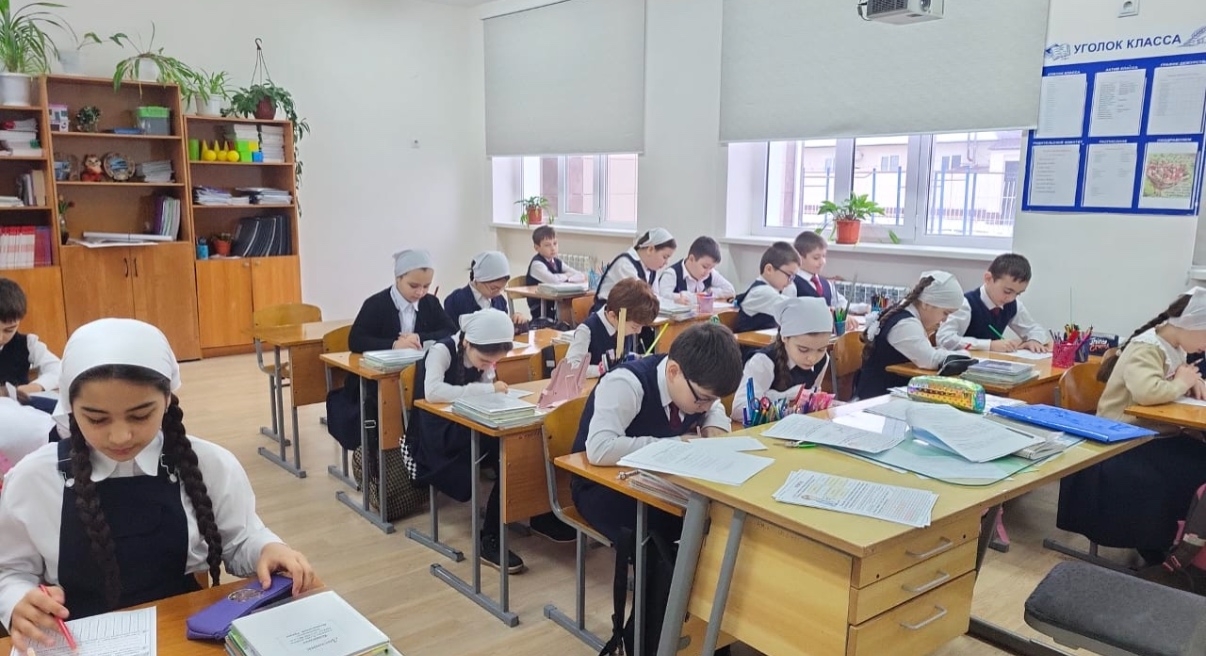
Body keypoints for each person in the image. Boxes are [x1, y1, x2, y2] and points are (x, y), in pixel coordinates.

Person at [0, 319, 316, 650]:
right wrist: (16, 599)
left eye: (140, 415)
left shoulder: (208, 464)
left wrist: (268, 549)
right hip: (77, 643)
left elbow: (240, 540)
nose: (120, 436)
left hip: (185, 637)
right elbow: (9, 570)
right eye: (96, 418)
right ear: (70, 408)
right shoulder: (34, 479)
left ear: (167, 399)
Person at [406, 310, 572, 574]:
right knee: (509, 450)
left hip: (473, 421)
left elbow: (488, 388)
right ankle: (490, 537)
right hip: (439, 434)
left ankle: (540, 514)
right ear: (467, 343)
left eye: (494, 362)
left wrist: (494, 392)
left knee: (527, 445)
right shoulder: (441, 351)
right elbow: (433, 392)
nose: (488, 366)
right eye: (484, 360)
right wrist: (486, 389)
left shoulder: (483, 355)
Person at [1058, 289, 1206, 567]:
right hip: (1123, 437)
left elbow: (1175, 381)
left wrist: (1193, 383)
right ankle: (1157, 545)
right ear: (1191, 325)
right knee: (1181, 472)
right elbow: (1147, 392)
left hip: (1155, 434)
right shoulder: (1148, 347)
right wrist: (1182, 383)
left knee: (1199, 460)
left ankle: (1181, 542)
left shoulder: (1177, 347)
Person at [571, 323, 743, 545]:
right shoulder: (626, 383)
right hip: (601, 487)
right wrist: (675, 444)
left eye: (713, 399)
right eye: (703, 399)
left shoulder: (693, 386)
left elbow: (714, 407)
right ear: (673, 372)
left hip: (658, 479)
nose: (707, 406)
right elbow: (599, 449)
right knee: (675, 532)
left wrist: (715, 425)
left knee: (717, 516)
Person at [855, 271, 969, 399]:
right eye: (945, 313)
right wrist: (966, 356)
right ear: (926, 304)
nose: (945, 320)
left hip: (889, 394)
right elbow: (930, 360)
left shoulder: (906, 313)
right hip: (877, 398)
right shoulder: (905, 324)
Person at [731, 297, 832, 422]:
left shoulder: (822, 360)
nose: (812, 358)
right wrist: (785, 397)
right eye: (803, 349)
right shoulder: (763, 362)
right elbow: (739, 409)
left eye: (821, 349)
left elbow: (814, 395)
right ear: (785, 337)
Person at [935, 253, 1051, 353]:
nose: (1011, 298)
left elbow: (1034, 329)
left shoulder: (1013, 305)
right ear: (988, 278)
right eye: (1007, 291)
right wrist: (989, 345)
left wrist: (1034, 340)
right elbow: (944, 339)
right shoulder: (965, 304)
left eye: (1018, 294)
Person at [348, 249, 457, 353]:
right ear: (398, 278)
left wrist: (419, 338)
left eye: (426, 286)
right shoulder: (375, 304)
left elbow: (451, 331)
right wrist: (394, 345)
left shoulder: (431, 303)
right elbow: (356, 341)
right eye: (413, 286)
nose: (420, 292)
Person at [564, 278, 660, 378]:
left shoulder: (624, 323)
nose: (638, 331)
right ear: (612, 316)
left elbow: (619, 356)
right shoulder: (587, 331)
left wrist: (638, 359)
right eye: (635, 326)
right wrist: (601, 369)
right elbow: (571, 368)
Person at [0, 278, 61, 414]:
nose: (0, 337)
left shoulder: (28, 343)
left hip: (20, 413)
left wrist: (33, 387)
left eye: (9, 330)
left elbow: (58, 369)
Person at [593, 228, 676, 311]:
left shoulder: (651, 270)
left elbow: (655, 298)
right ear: (650, 249)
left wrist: (674, 302)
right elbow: (640, 299)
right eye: (665, 257)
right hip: (607, 313)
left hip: (629, 314)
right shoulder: (625, 264)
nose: (666, 262)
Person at [789, 232, 857, 332]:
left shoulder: (826, 283)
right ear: (799, 257)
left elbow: (841, 304)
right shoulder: (790, 283)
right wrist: (834, 314)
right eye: (816, 258)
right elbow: (793, 312)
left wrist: (865, 308)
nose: (822, 262)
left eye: (824, 256)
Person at [444, 251, 525, 329]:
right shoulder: (455, 301)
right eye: (494, 288)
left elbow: (503, 328)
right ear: (478, 280)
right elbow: (449, 333)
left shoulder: (500, 301)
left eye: (502, 288)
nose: (498, 293)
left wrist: (516, 321)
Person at [734, 241, 800, 334]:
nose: (790, 282)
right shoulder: (761, 292)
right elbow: (793, 309)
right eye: (789, 275)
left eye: (793, 277)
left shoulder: (778, 289)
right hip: (748, 342)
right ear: (769, 269)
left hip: (765, 341)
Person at [524, 226, 585, 319]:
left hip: (557, 304)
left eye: (555, 243)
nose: (553, 248)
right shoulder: (537, 264)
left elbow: (580, 275)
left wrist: (568, 278)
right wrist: (567, 276)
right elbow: (553, 280)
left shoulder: (557, 262)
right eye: (547, 245)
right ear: (537, 248)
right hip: (541, 308)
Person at [655, 236, 736, 303]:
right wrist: (695, 297)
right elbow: (662, 297)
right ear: (691, 259)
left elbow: (730, 290)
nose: (707, 272)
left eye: (711, 268)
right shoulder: (672, 274)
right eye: (704, 266)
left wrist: (708, 293)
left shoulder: (710, 273)